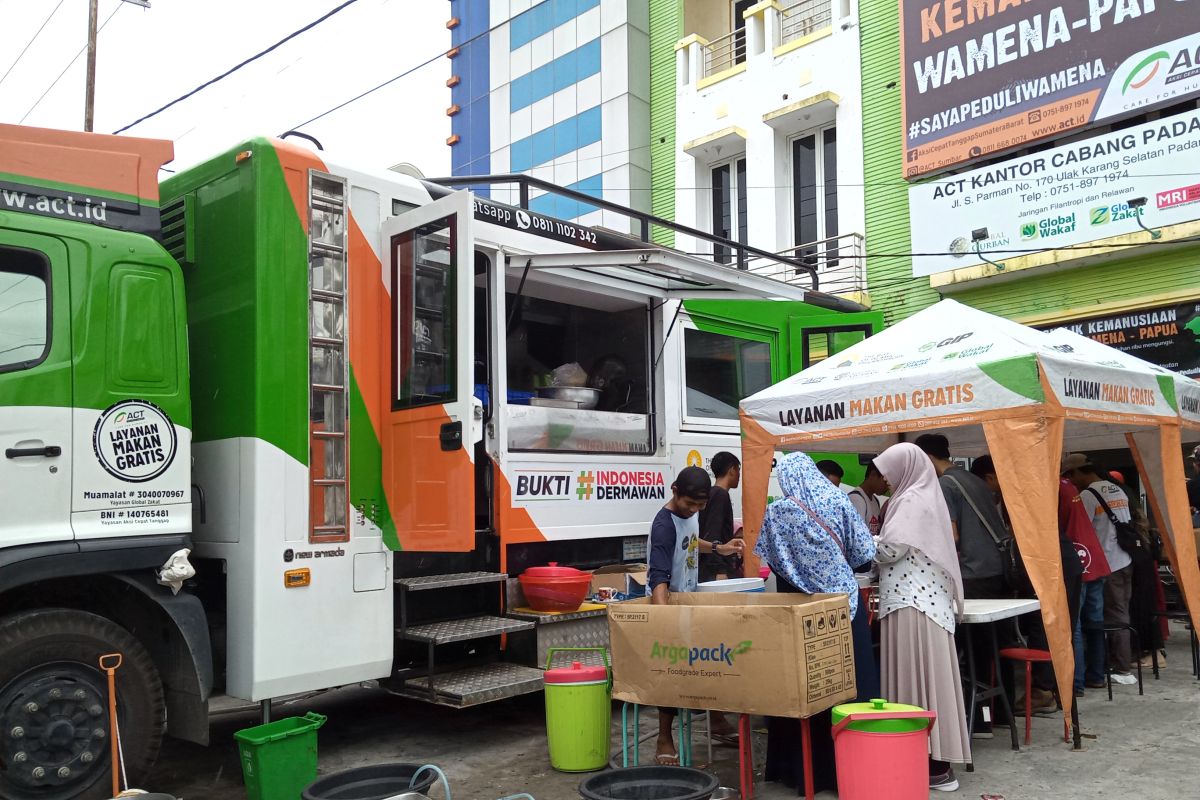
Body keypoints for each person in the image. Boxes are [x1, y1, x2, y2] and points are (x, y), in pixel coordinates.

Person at [754, 453, 878, 795]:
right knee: (851, 686)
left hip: (798, 613)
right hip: (844, 609)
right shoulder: (837, 498)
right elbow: (864, 554)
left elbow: (772, 561)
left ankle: (801, 773)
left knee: (803, 693)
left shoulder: (778, 511)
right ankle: (854, 771)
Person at [874, 443, 970, 792]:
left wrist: (858, 539)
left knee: (917, 682)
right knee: (929, 681)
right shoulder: (923, 496)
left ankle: (931, 763)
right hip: (923, 603)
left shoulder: (911, 500)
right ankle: (931, 760)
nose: (884, 480)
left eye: (888, 471)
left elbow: (890, 549)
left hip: (913, 603)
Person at [647, 466, 745, 765]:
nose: (694, 511)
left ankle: (715, 720)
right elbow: (658, 579)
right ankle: (665, 737)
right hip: (668, 602)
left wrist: (719, 548)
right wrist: (665, 623)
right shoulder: (664, 525)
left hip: (691, 600)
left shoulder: (691, 515)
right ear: (675, 490)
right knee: (671, 675)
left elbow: (690, 543)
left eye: (700, 506)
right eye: (690, 504)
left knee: (706, 666)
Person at [915, 434, 1011, 736]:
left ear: (928, 458)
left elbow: (951, 535)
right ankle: (1000, 715)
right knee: (995, 644)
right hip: (998, 570)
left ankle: (980, 720)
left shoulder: (945, 485)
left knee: (972, 650)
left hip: (973, 573)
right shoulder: (973, 479)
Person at [1063, 454, 1138, 686]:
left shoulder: (1087, 495)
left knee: (1108, 615)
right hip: (1124, 558)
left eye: (1071, 476)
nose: (1071, 481)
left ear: (1079, 473)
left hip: (1103, 561)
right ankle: (1111, 666)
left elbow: (1079, 528)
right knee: (1117, 613)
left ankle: (1121, 668)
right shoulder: (1117, 489)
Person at [1060, 475, 1111, 696]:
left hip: (1076, 555)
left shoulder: (1053, 487)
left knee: (1075, 623)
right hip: (1093, 555)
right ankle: (1097, 676)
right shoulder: (1068, 485)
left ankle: (1077, 683)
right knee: (1095, 621)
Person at [1110, 471, 1164, 669]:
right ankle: (1151, 652)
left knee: (1140, 605)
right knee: (1140, 604)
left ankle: (1154, 652)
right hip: (1140, 552)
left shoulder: (1118, 497)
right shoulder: (1127, 496)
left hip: (1134, 556)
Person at [699, 452, 741, 583]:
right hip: (715, 571)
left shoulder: (712, 493)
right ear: (732, 470)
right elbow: (713, 533)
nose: (740, 476)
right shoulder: (720, 495)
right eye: (739, 470)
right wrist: (720, 570)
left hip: (708, 566)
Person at [845, 460, 887, 536]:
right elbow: (857, 535)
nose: (887, 486)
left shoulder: (875, 500)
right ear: (873, 475)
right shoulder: (856, 498)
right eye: (885, 481)